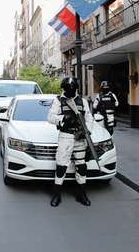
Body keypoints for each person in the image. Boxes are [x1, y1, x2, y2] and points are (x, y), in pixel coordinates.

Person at [47, 77, 92, 207]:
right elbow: (50, 117)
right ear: (64, 88)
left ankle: (81, 194)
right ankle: (57, 194)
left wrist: (87, 131)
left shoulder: (83, 102)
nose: (70, 90)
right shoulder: (58, 101)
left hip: (80, 138)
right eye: (68, 88)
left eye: (72, 88)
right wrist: (63, 118)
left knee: (81, 166)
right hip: (65, 136)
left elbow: (89, 118)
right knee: (61, 166)